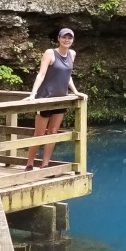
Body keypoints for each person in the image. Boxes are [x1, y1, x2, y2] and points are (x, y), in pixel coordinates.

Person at [24, 27, 83, 170]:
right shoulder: (50, 53)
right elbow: (41, 74)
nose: (66, 40)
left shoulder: (72, 54)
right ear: (59, 38)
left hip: (61, 99)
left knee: (53, 132)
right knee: (39, 133)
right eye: (64, 37)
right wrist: (33, 94)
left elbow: (67, 76)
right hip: (46, 98)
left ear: (72, 40)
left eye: (69, 38)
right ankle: (29, 164)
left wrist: (75, 91)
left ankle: (45, 164)